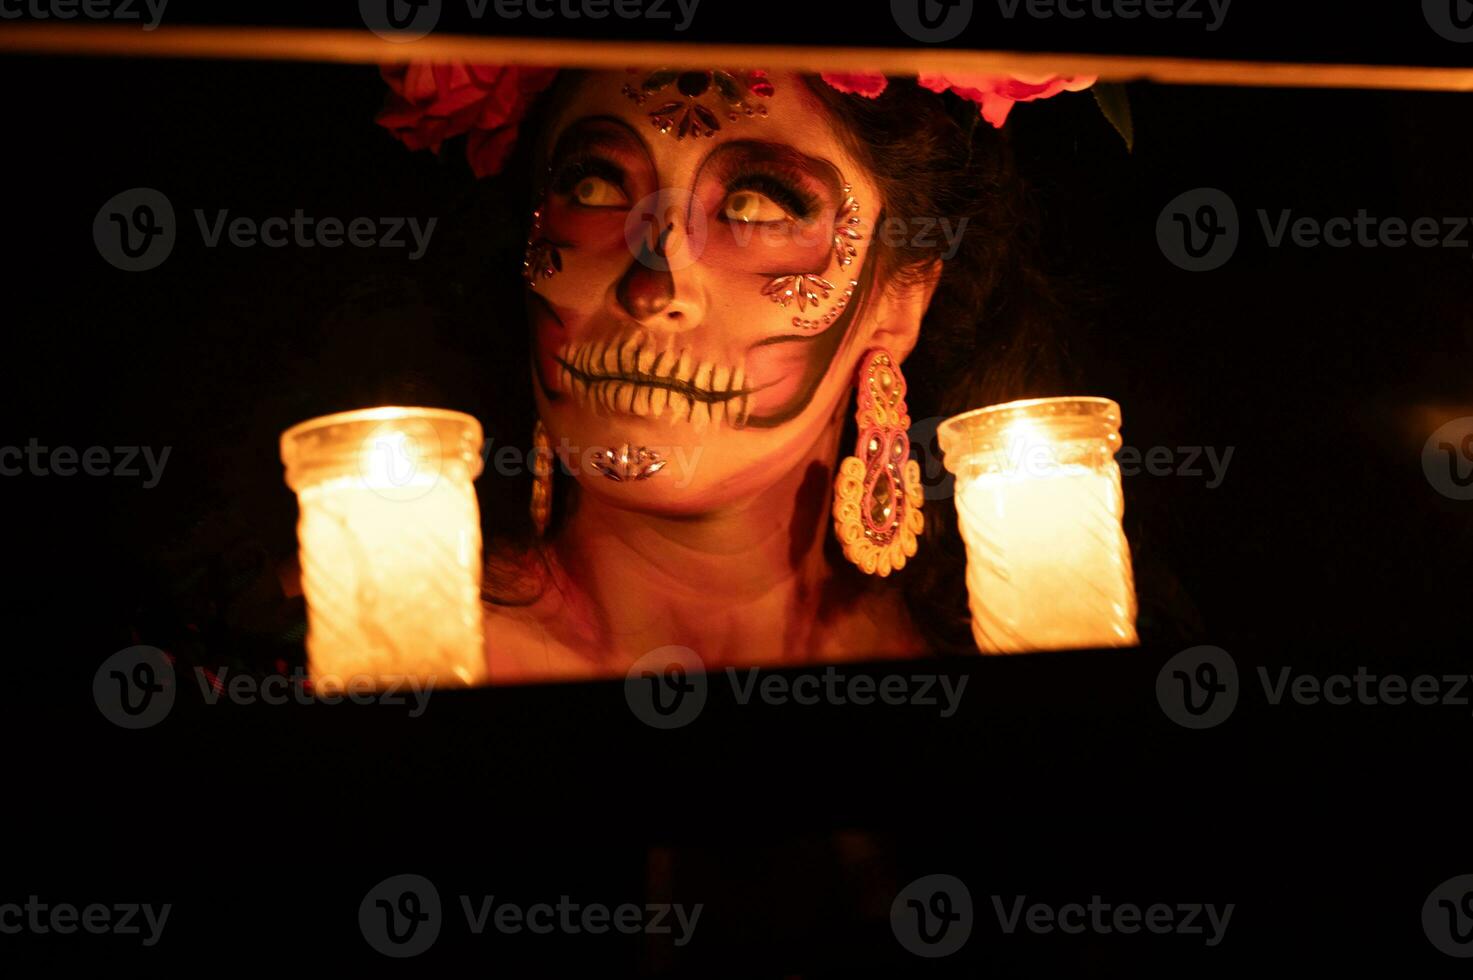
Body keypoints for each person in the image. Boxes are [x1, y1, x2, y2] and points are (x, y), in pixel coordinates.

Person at [380, 67, 1089, 682]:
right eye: (594, 187)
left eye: (755, 205)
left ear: (898, 302)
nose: (653, 291)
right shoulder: (361, 654)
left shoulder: (1023, 654)